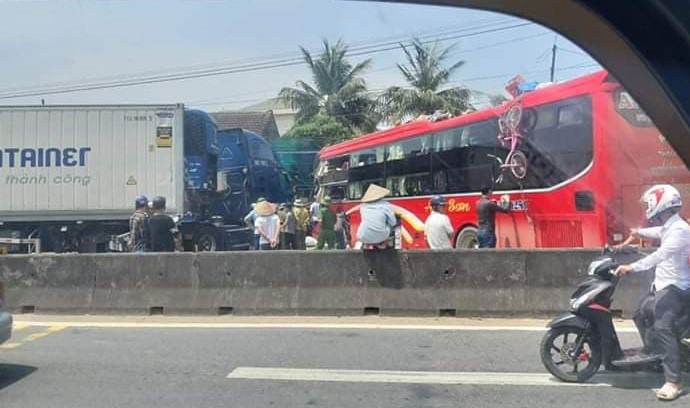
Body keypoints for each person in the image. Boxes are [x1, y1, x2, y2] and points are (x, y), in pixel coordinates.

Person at [614, 184, 690, 401]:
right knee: (640, 313)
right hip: (664, 285)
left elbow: (660, 255)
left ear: (661, 204)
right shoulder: (671, 226)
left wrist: (632, 267)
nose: (647, 207)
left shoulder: (680, 230)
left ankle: (673, 382)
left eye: (649, 203)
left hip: (678, 287)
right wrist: (638, 232)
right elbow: (658, 232)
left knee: (663, 327)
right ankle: (654, 354)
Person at [356, 184, 397, 249]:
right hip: (381, 237)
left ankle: (366, 245)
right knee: (391, 227)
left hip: (363, 236)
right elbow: (393, 222)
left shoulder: (362, 206)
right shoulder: (386, 205)